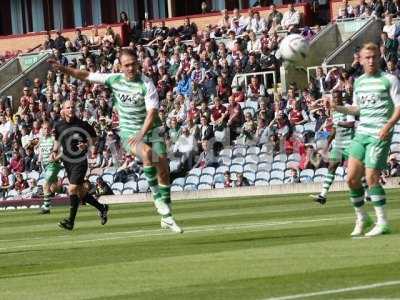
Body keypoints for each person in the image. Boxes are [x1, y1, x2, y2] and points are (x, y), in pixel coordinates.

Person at [49, 49, 183, 233]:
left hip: (151, 131)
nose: (131, 68)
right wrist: (64, 69)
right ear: (120, 66)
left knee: (163, 168)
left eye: (133, 64)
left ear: (138, 63)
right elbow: (86, 75)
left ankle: (167, 217)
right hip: (130, 132)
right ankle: (156, 197)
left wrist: (143, 132)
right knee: (147, 155)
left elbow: (152, 113)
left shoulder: (146, 83)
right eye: (126, 65)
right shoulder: (114, 79)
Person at [330, 43, 400, 237]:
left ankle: (383, 222)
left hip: (380, 133)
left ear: (379, 58)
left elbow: (399, 107)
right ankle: (362, 217)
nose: (371, 60)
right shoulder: (359, 82)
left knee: (371, 177)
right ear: (359, 60)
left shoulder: (390, 80)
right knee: (351, 179)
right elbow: (357, 109)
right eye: (367, 58)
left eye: (374, 57)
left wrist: (388, 126)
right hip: (362, 133)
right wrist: (338, 108)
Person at [49, 100, 109, 230]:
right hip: (67, 162)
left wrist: (86, 145)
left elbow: (94, 138)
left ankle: (70, 222)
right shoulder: (58, 125)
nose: (71, 109)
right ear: (63, 110)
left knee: (72, 189)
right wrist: (54, 152)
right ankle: (102, 208)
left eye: (72, 107)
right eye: (68, 107)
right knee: (81, 193)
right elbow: (57, 140)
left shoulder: (82, 124)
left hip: (80, 162)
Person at [311, 91, 369, 204]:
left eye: (337, 97)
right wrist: (326, 145)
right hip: (338, 145)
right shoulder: (334, 110)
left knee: (357, 170)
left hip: (350, 144)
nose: (336, 99)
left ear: (341, 98)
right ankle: (323, 195)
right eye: (334, 97)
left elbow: (351, 124)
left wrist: (339, 123)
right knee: (332, 167)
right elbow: (334, 130)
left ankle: (367, 193)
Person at [37, 121, 62, 214]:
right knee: (53, 188)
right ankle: (63, 189)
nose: (46, 130)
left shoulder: (54, 139)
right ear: (41, 130)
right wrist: (39, 159)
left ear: (50, 129)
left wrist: (55, 158)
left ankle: (46, 207)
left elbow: (62, 152)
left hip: (54, 165)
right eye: (44, 128)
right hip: (45, 165)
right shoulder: (41, 139)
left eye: (48, 128)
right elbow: (41, 151)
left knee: (45, 185)